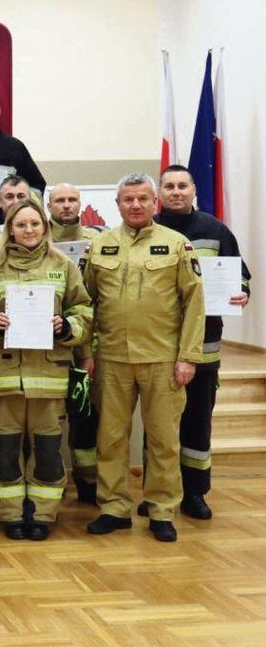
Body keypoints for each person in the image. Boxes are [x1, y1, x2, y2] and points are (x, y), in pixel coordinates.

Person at [84, 173, 205, 543]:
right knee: (110, 437)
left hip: (162, 358)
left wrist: (188, 357)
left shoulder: (177, 245)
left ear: (156, 202)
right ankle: (114, 507)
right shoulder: (100, 245)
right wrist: (86, 353)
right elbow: (85, 304)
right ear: (117, 204)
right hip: (112, 358)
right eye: (128, 199)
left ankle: (161, 509)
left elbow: (194, 305)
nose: (135, 205)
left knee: (163, 440)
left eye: (143, 199)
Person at [0, 200, 92, 540]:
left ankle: (42, 515)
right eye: (21, 224)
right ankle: (10, 515)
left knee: (48, 452)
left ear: (45, 227)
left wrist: (67, 326)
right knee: (5, 452)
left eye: (35, 223)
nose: (29, 230)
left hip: (50, 379)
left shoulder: (63, 265)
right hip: (4, 380)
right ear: (10, 229)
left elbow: (84, 312)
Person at [155, 164, 251, 520]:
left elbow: (240, 276)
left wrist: (241, 293)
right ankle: (157, 492)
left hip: (204, 349)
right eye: (169, 186)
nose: (176, 192)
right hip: (158, 346)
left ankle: (195, 493)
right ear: (159, 192)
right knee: (158, 426)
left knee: (197, 423)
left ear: (194, 190)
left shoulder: (215, 230)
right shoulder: (148, 229)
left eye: (183, 185)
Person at [46, 182, 100, 504]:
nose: (66, 205)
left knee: (86, 417)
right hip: (48, 346)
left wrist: (87, 352)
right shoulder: (38, 238)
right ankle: (51, 484)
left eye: (72, 200)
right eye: (59, 200)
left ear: (80, 203)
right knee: (50, 421)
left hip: (87, 340)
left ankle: (88, 483)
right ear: (48, 205)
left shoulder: (98, 240)